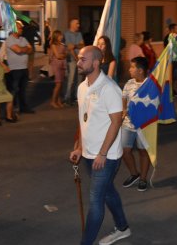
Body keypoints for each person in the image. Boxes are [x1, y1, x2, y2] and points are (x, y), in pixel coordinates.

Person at [69, 46, 131, 245]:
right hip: (88, 153)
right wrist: (79, 147)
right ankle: (123, 227)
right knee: (107, 192)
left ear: (96, 63)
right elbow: (82, 120)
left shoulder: (110, 88)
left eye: (83, 59)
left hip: (106, 156)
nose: (78, 62)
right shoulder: (82, 87)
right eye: (79, 59)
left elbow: (116, 122)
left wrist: (102, 153)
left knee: (96, 202)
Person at [120, 57, 151, 192]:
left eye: (132, 67)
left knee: (143, 151)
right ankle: (134, 174)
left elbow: (155, 103)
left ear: (140, 70)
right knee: (124, 151)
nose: (129, 69)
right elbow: (124, 98)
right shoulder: (129, 83)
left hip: (144, 125)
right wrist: (124, 109)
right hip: (128, 124)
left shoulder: (150, 85)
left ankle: (143, 178)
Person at [5, 20, 34, 114]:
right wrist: (25, 49)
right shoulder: (10, 39)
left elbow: (31, 50)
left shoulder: (23, 39)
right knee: (13, 90)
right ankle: (11, 110)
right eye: (20, 28)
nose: (22, 29)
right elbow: (18, 50)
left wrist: (23, 49)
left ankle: (23, 107)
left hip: (24, 68)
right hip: (14, 69)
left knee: (23, 90)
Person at [64, 19, 85, 106]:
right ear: (72, 24)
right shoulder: (67, 34)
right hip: (72, 59)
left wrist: (75, 45)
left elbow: (82, 45)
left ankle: (77, 97)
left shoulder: (79, 34)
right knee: (71, 79)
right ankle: (68, 98)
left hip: (79, 59)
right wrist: (77, 59)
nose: (78, 25)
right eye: (77, 23)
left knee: (79, 79)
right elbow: (70, 48)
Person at [49, 30, 67, 108]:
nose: (61, 37)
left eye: (61, 35)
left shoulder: (62, 44)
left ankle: (58, 101)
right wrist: (63, 55)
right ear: (56, 36)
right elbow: (58, 56)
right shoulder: (53, 44)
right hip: (56, 65)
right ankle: (53, 101)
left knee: (61, 84)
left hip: (62, 64)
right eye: (60, 36)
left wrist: (63, 55)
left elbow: (66, 54)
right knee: (58, 84)